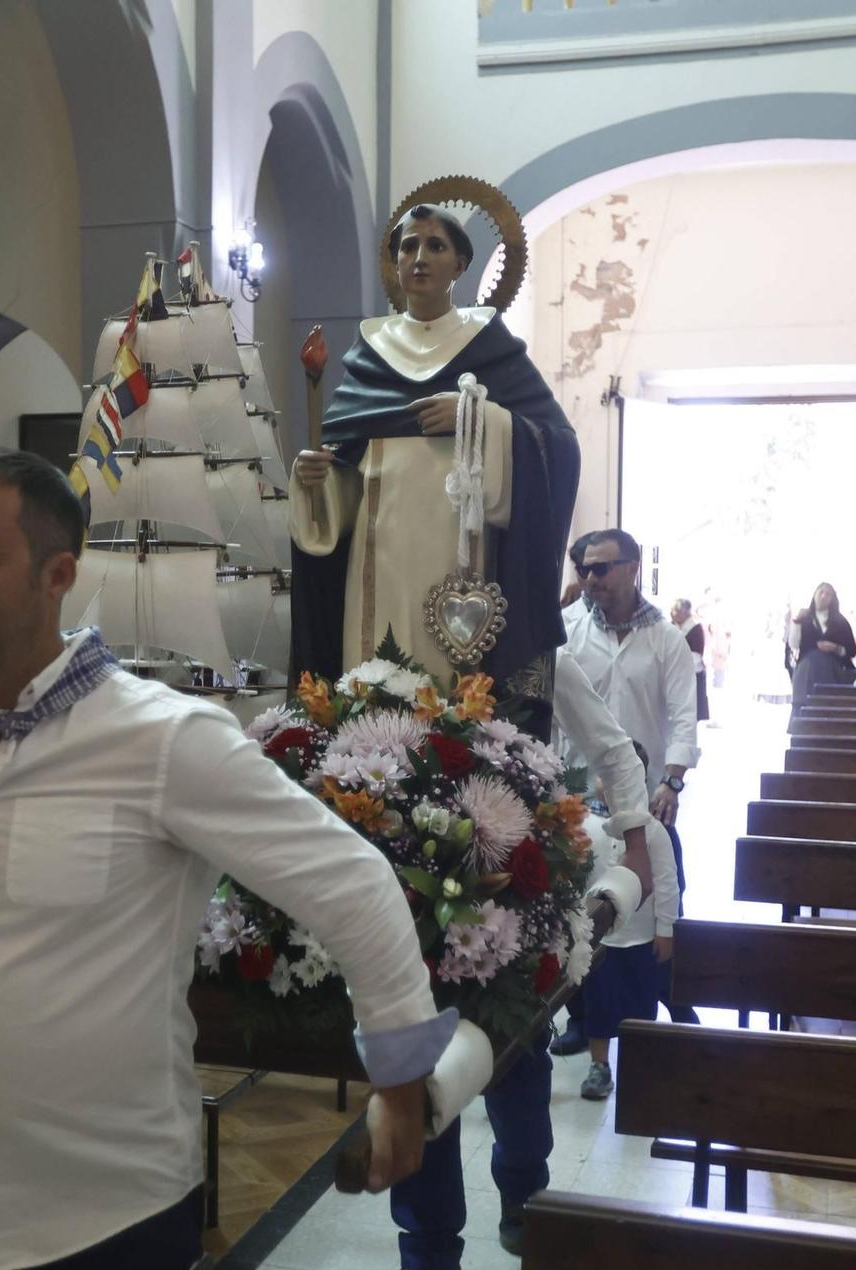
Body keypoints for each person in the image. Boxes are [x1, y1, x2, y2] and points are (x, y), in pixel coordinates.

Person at [0, 449, 449, 1270]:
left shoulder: (165, 741)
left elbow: (353, 883)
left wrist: (399, 1086)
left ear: (57, 575)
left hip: (111, 1227)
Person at [376, 647, 652, 1270]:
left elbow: (614, 750)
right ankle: (428, 1257)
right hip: (414, 880)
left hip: (520, 886)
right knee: (421, 1066)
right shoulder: (396, 642)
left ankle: (525, 1193)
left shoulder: (541, 653)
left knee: (516, 1062)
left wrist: (636, 838)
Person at [289, 204, 580, 719]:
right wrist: (318, 481)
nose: (419, 257)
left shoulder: (490, 347)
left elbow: (558, 447)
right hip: (377, 559)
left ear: (460, 265)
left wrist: (477, 417)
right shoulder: (370, 351)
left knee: (451, 692)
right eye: (408, 246)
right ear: (395, 264)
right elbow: (347, 477)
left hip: (458, 558)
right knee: (374, 684)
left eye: (435, 246)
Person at [559, 527, 700, 1032]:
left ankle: (670, 997)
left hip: (647, 794)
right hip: (580, 792)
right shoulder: (568, 629)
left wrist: (672, 782)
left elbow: (683, 718)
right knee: (580, 904)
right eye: (585, 569)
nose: (591, 578)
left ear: (633, 568)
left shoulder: (666, 639)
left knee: (662, 893)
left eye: (601, 568)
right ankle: (581, 1017)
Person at [577, 742, 679, 1102]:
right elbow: (578, 882)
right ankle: (599, 1065)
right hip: (600, 940)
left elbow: (666, 883)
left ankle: (640, 1063)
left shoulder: (653, 832)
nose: (610, 788)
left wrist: (665, 930)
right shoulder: (585, 825)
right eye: (605, 779)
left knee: (641, 1003)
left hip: (641, 938)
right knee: (598, 1003)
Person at [787, 582, 856, 711]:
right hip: (807, 670)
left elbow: (852, 650)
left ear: (832, 599)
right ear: (814, 595)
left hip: (832, 670)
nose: (823, 596)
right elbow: (794, 644)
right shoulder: (804, 618)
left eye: (828, 594)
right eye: (821, 592)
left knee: (828, 708)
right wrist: (797, 622)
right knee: (804, 709)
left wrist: (836, 648)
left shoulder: (840, 622)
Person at [669, 597, 709, 726]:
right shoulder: (671, 627)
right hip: (675, 679)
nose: (672, 614)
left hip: (692, 678)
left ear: (685, 612)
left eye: (675, 611)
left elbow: (696, 657)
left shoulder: (695, 629)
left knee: (690, 717)